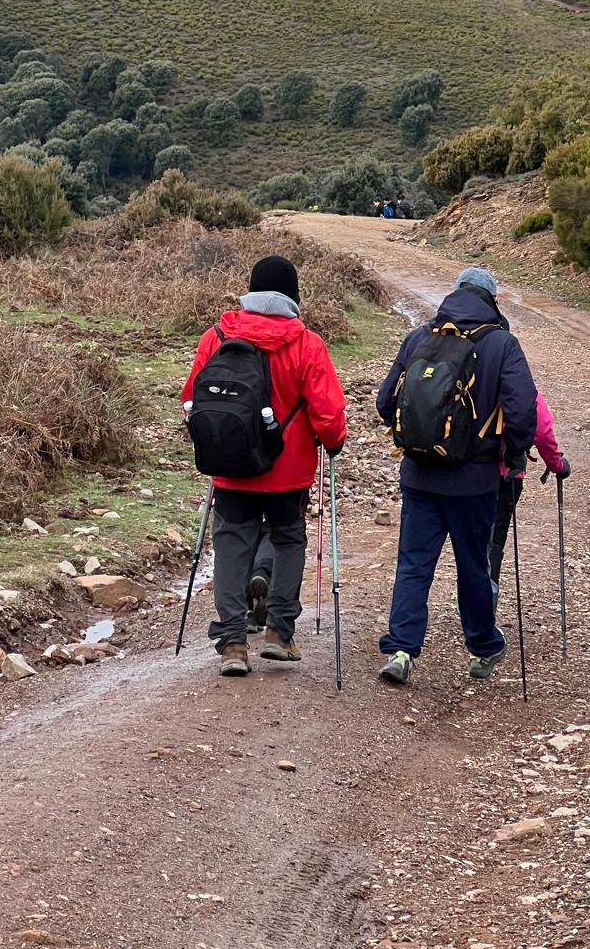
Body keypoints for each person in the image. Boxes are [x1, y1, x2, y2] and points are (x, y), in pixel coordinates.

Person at [183, 255, 347, 676]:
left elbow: (191, 398)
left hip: (230, 466)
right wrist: (334, 442)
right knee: (288, 539)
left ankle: (233, 645)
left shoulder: (216, 336)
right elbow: (328, 414)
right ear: (294, 296)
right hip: (287, 473)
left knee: (231, 545)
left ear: (251, 291)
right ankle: (278, 633)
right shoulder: (306, 344)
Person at [374, 266, 537, 685]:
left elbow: (385, 402)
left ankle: (401, 649)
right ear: (492, 300)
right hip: (475, 480)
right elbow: (522, 411)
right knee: (473, 566)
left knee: (414, 564)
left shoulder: (420, 337)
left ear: (455, 293)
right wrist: (513, 452)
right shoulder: (501, 343)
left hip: (419, 475)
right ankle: (482, 646)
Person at [490, 389, 570, 602]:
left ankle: (468, 605)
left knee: (470, 540)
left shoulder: (471, 376)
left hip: (467, 473)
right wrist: (557, 464)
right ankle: (482, 610)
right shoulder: (520, 385)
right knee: (494, 541)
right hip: (506, 474)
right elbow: (542, 431)